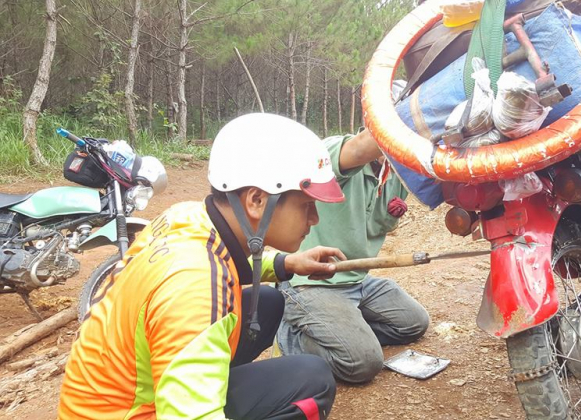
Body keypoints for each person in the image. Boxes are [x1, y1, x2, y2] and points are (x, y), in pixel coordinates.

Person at [58, 113, 347, 420]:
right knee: (311, 379)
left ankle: (203, 379)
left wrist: (287, 264)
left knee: (268, 302)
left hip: (109, 397)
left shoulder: (188, 216)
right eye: (306, 205)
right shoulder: (194, 290)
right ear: (257, 200)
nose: (314, 218)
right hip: (135, 411)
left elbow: (230, 258)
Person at [276, 128, 430, 384]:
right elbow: (360, 147)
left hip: (358, 282)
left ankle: (343, 331)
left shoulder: (399, 173)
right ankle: (290, 336)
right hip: (311, 282)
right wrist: (411, 123)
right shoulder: (336, 153)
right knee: (362, 363)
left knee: (413, 323)